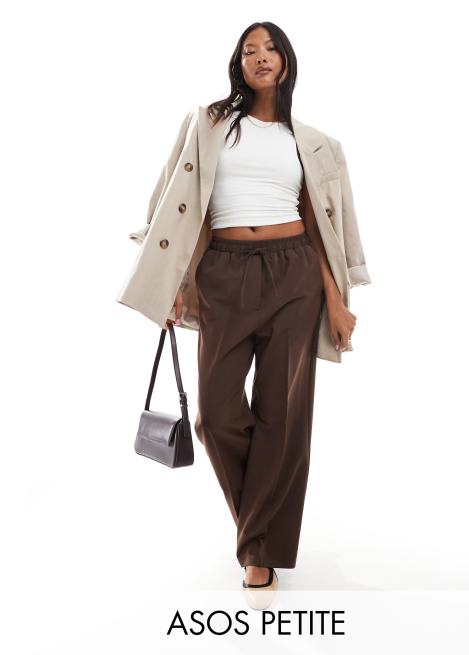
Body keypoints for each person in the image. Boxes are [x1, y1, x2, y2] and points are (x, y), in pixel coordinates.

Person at [162, 22, 370, 608]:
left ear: (286, 61)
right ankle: (261, 534)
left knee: (283, 415)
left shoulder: (314, 142)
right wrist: (174, 280)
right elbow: (174, 206)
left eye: (270, 48)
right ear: (238, 63)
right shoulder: (207, 124)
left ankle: (258, 555)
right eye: (249, 50)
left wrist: (337, 301)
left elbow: (323, 228)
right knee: (215, 416)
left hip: (295, 274)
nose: (260, 57)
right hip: (223, 274)